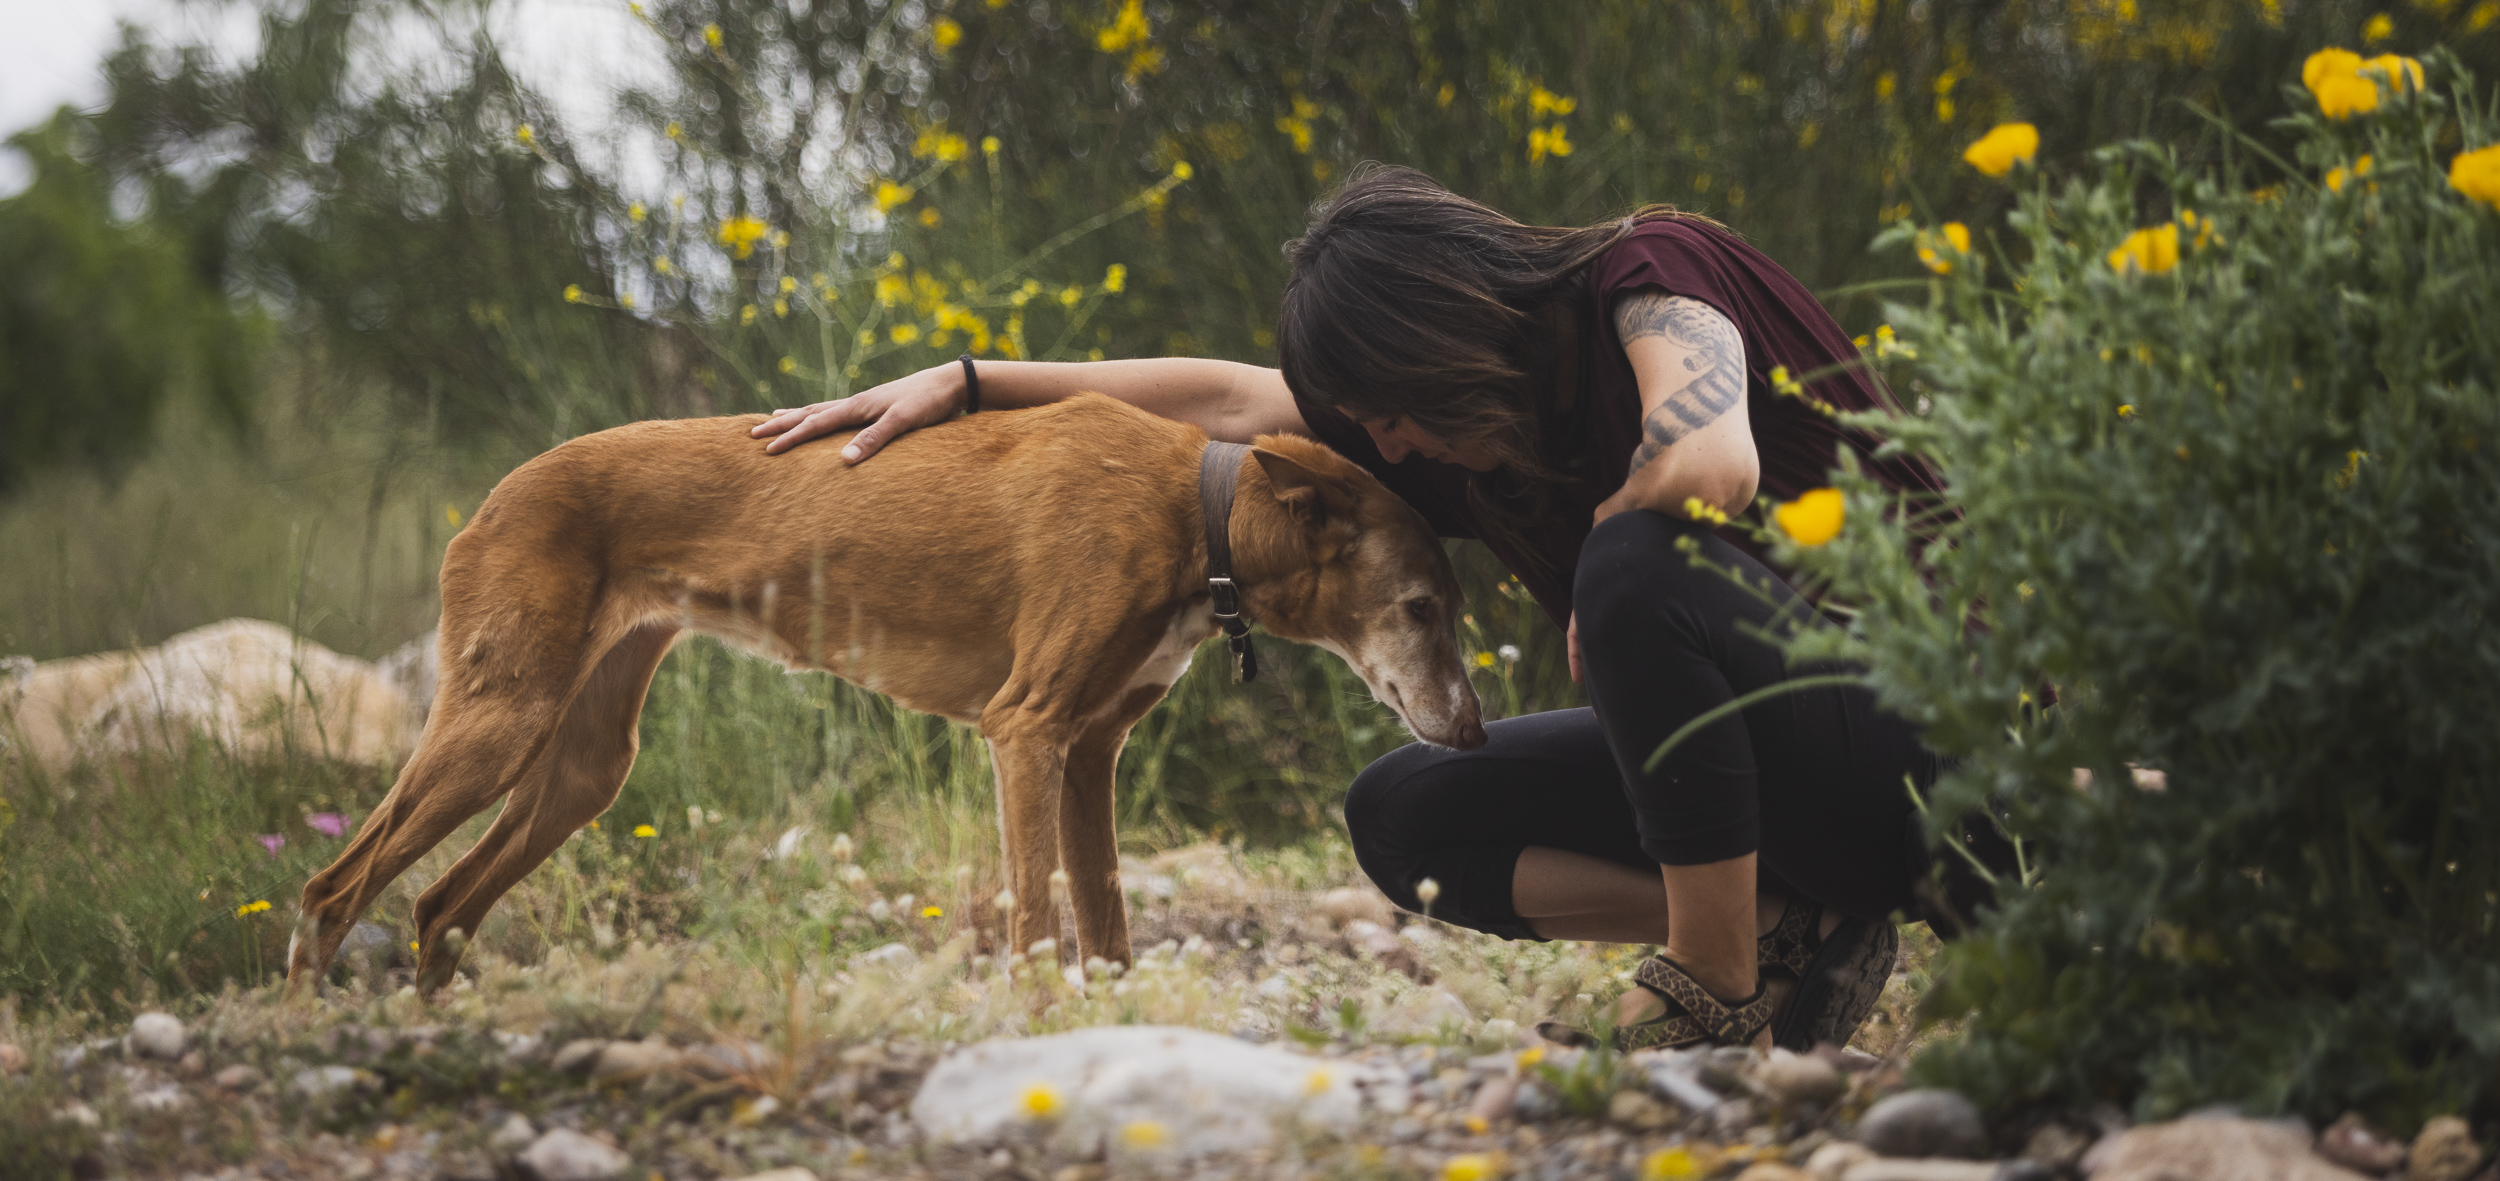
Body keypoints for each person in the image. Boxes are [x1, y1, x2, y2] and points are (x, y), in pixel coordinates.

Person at [748, 164, 1997, 1050]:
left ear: (1447, 327)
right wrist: (967, 382)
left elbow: (1712, 453)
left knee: (1638, 564)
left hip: (1935, 741)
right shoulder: (1471, 440)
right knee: (1405, 813)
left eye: (1388, 406)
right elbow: (1234, 405)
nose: (1382, 443)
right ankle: (1793, 924)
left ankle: (1712, 983)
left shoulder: (1648, 273)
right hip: (1788, 786)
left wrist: (1619, 565)